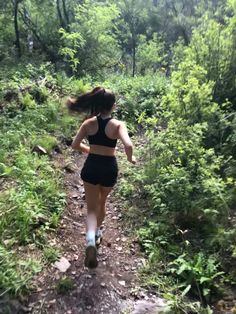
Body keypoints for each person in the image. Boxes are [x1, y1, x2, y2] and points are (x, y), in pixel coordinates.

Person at [67, 87, 136, 269]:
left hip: (91, 166)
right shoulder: (118, 125)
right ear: (113, 106)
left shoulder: (88, 123)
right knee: (102, 203)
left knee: (91, 209)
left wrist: (89, 149)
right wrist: (131, 158)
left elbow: (75, 145)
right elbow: (128, 145)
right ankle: (97, 233)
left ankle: (90, 240)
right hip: (109, 168)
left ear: (97, 104)